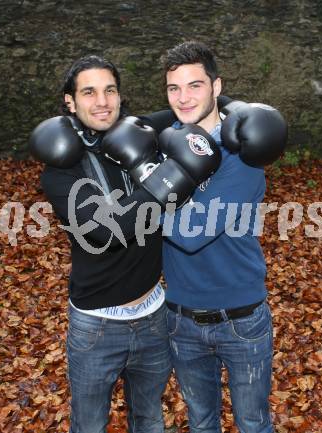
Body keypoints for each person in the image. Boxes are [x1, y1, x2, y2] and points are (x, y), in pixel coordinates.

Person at [29, 54, 226, 433]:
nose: (102, 101)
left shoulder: (137, 134)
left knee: (149, 418)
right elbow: (109, 230)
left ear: (120, 96)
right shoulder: (61, 172)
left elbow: (188, 106)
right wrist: (173, 175)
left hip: (154, 317)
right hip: (96, 326)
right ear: (70, 102)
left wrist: (240, 109)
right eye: (89, 92)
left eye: (109, 90)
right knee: (88, 425)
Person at [157, 41, 287, 433]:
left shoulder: (244, 156)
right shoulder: (161, 145)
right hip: (180, 316)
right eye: (173, 88)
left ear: (216, 86)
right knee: (201, 423)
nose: (184, 98)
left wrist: (135, 207)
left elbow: (190, 234)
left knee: (252, 423)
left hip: (240, 319)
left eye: (195, 86)